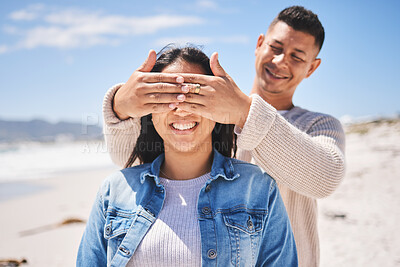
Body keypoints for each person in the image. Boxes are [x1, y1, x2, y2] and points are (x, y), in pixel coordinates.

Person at [102, 6, 345, 267]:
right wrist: (120, 106)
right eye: (275, 47)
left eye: (297, 56)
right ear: (259, 44)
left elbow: (325, 179)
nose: (280, 61)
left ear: (312, 68)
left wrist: (244, 111)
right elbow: (128, 160)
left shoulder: (318, 125)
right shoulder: (215, 112)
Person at [77, 47, 298, 266]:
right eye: (167, 98)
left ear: (219, 108)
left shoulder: (259, 188)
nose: (181, 110)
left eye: (195, 95)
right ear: (149, 112)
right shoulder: (114, 190)